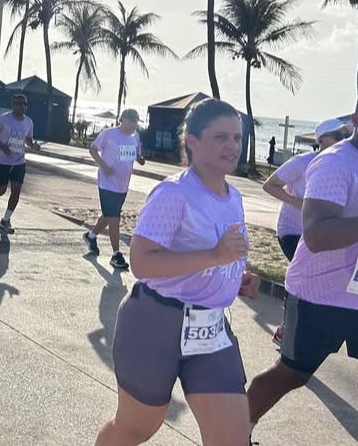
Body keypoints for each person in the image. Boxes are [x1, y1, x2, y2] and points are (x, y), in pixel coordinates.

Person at [247, 83, 358, 446]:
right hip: (320, 297)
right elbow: (318, 236)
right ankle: (231, 431)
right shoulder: (333, 163)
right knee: (289, 376)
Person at [94, 98, 260, 446]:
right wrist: (215, 256)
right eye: (220, 138)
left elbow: (220, 255)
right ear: (193, 141)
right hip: (156, 322)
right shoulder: (174, 193)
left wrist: (234, 276)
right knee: (135, 429)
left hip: (210, 328)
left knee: (233, 438)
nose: (232, 146)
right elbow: (142, 262)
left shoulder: (234, 197)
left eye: (237, 138)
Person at [262, 118, 353, 344]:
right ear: (321, 140)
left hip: (320, 235)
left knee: (314, 280)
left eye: (346, 136)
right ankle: (290, 331)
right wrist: (300, 203)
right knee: (305, 277)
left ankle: (290, 329)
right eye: (339, 136)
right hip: (292, 232)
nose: (345, 141)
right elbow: (269, 185)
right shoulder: (303, 162)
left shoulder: (343, 166)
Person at [84, 108, 146, 270]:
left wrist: (140, 159)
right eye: (132, 121)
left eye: (136, 122)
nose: (134, 125)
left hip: (123, 185)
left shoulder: (135, 136)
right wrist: (103, 166)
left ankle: (90, 236)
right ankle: (116, 254)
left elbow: (137, 154)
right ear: (123, 120)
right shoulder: (108, 134)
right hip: (107, 183)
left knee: (109, 216)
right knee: (114, 218)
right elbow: (92, 149)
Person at [0, 94, 41, 233]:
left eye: (24, 104)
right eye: (18, 103)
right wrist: (3, 146)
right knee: (1, 190)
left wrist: (34, 146)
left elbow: (28, 140)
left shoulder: (29, 122)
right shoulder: (4, 119)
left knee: (16, 190)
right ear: (13, 105)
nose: (21, 106)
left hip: (19, 162)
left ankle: (5, 220)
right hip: (1, 161)